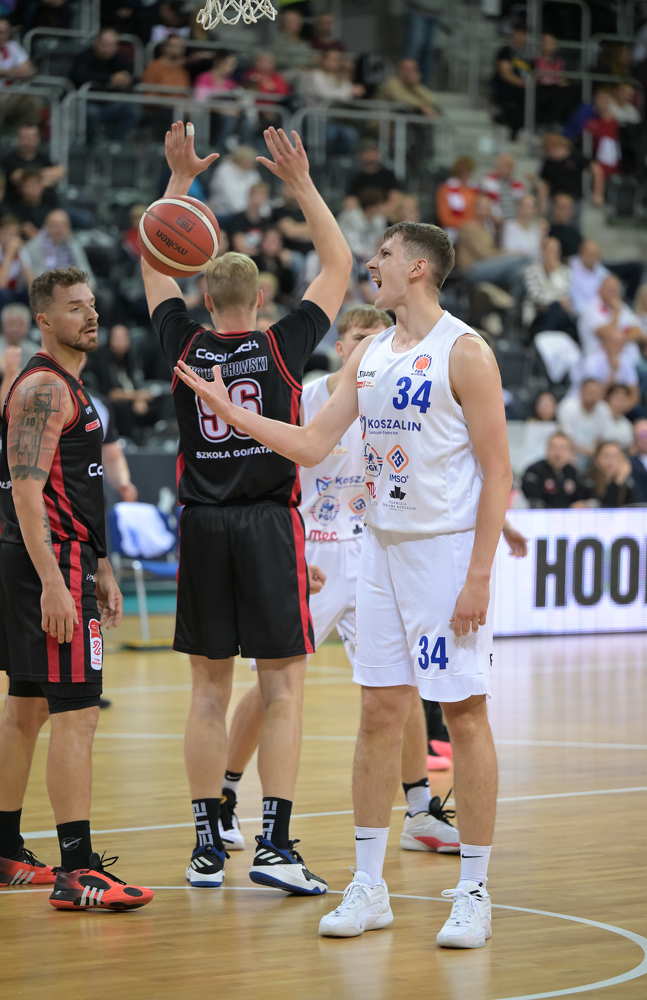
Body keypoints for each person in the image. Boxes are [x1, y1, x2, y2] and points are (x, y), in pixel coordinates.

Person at [174, 217, 514, 948]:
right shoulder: (369, 356)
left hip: (445, 554)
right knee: (377, 714)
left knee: (463, 714)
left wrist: (480, 573)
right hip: (378, 551)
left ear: (418, 268)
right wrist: (234, 414)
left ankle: (474, 891)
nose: (373, 263)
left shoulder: (464, 351)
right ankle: (368, 886)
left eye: (385, 254)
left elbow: (498, 472)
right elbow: (310, 443)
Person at [141, 122, 352, 894]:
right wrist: (299, 183)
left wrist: (178, 186)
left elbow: (153, 259)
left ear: (203, 296)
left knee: (207, 691)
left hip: (201, 525)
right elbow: (337, 264)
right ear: (260, 299)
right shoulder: (283, 344)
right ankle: (274, 846)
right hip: (267, 524)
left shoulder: (182, 344)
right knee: (281, 688)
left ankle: (205, 847)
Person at [0, 266, 152, 908]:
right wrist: (55, 582)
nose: (90, 315)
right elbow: (27, 492)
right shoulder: (42, 387)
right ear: (43, 319)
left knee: (28, 708)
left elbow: (78, 489)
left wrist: (102, 565)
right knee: (77, 712)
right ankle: (76, 870)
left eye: (91, 304)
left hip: (63, 558)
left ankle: (6, 850)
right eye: (74, 308)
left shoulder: (70, 386)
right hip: (48, 563)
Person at [457, 194, 531, 302]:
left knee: (519, 273)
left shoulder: (486, 228)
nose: (485, 211)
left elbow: (492, 251)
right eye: (482, 207)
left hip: (486, 266)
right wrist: (509, 254)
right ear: (475, 208)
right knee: (523, 259)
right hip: (472, 269)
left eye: (488, 208)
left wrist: (498, 229)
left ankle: (512, 306)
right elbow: (485, 254)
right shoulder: (469, 226)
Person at [72, 29, 142, 142]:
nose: (108, 49)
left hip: (109, 104)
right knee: (92, 113)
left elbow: (132, 77)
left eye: (112, 45)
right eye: (105, 45)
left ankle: (115, 145)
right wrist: (110, 79)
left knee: (132, 111)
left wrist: (126, 80)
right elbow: (80, 77)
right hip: (86, 103)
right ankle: (89, 146)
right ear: (96, 43)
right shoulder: (85, 56)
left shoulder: (118, 58)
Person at [304, 50, 364, 155]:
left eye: (338, 59)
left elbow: (350, 94)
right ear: (323, 60)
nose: (335, 62)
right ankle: (321, 161)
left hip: (335, 120)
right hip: (316, 120)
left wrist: (349, 82)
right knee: (330, 134)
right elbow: (326, 94)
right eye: (332, 59)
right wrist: (349, 92)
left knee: (351, 135)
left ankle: (339, 162)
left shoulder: (340, 77)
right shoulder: (316, 75)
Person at [577, 275, 643, 357]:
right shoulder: (591, 310)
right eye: (611, 289)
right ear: (600, 289)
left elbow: (639, 332)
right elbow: (608, 335)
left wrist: (619, 338)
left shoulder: (623, 307)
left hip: (628, 359)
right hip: (600, 361)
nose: (614, 292)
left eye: (616, 289)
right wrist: (616, 313)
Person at [523, 236, 575, 337]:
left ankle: (547, 339)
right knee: (556, 306)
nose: (554, 254)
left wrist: (555, 273)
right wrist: (558, 299)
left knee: (557, 309)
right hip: (538, 316)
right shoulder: (531, 271)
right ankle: (545, 338)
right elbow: (537, 297)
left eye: (557, 250)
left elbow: (567, 295)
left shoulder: (566, 272)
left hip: (561, 316)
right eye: (551, 250)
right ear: (543, 251)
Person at [521, 432, 590, 507]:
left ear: (570, 452)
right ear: (546, 449)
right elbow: (535, 504)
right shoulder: (534, 471)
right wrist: (569, 507)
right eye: (554, 448)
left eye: (563, 449)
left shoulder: (572, 472)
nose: (558, 453)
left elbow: (581, 499)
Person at [3, 124, 66, 207]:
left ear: (38, 139)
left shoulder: (42, 157)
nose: (27, 141)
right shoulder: (8, 160)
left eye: (31, 137)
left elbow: (60, 172)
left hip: (48, 205)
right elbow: (16, 177)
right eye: (24, 137)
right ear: (17, 138)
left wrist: (29, 176)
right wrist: (45, 178)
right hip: (18, 206)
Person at [537, 134, 603, 213]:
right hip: (556, 201)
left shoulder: (575, 157)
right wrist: (541, 204)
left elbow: (596, 169)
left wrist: (597, 193)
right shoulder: (549, 162)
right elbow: (545, 184)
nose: (550, 153)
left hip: (574, 199)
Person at [557, 378, 617, 461]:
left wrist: (596, 452)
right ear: (581, 392)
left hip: (596, 455)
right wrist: (591, 452)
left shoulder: (604, 408)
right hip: (572, 453)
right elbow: (565, 439)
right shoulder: (567, 407)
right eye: (590, 392)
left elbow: (606, 437)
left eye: (596, 393)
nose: (593, 396)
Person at [25, 210, 94, 279]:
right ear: (46, 226)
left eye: (61, 226)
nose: (57, 230)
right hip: (47, 283)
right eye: (53, 225)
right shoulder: (34, 246)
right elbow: (37, 276)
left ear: (68, 227)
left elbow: (85, 270)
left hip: (73, 283)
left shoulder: (73, 244)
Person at [492, 21, 531, 139]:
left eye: (524, 34)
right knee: (525, 96)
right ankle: (513, 125)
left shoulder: (526, 55)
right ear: (513, 33)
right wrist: (523, 83)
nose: (522, 37)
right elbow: (505, 74)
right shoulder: (506, 51)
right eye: (519, 33)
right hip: (508, 87)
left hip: (524, 87)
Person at [0, 18, 38, 132]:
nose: (1, 36)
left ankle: (25, 138)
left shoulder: (13, 46)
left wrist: (7, 73)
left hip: (11, 94)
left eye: (3, 32)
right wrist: (14, 72)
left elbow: (30, 69)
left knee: (32, 102)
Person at [207, 147, 263, 220]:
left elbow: (260, 192)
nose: (254, 164)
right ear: (242, 160)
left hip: (248, 213)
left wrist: (263, 212)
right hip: (225, 213)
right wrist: (248, 213)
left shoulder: (253, 173)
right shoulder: (225, 170)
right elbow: (231, 198)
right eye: (251, 161)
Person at [346, 141, 402, 210]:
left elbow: (395, 197)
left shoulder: (388, 175)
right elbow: (350, 200)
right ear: (360, 155)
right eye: (367, 152)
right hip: (362, 212)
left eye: (373, 152)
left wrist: (382, 211)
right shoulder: (356, 177)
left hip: (384, 211)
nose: (370, 156)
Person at [337, 188, 388, 264]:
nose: (382, 207)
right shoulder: (350, 217)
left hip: (370, 259)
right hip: (346, 258)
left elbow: (381, 244)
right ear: (371, 205)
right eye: (380, 204)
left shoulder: (379, 220)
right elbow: (353, 247)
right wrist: (374, 254)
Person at [436, 156, 478, 239]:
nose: (467, 174)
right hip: (454, 231)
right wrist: (465, 225)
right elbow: (444, 217)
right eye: (464, 171)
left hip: (473, 228)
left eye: (469, 171)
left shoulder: (474, 190)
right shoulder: (446, 189)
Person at [225, 182, 271, 257]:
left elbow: (268, 246)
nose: (260, 198)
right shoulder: (239, 219)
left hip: (259, 259)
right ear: (250, 196)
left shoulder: (265, 221)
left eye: (263, 195)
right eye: (258, 194)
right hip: (241, 258)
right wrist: (260, 251)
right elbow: (239, 246)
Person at [586, 440, 636, 507]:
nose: (610, 460)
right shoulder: (588, 482)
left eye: (615, 456)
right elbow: (606, 509)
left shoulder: (628, 482)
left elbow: (638, 506)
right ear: (596, 459)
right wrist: (617, 482)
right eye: (606, 456)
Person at [480, 153, 528, 222]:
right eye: (505, 164)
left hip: (513, 222)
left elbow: (523, 207)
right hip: (491, 221)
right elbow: (481, 203)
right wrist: (493, 217)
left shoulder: (519, 186)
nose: (508, 168)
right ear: (497, 166)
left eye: (510, 165)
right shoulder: (487, 181)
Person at [0, 214, 34, 307]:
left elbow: (31, 284)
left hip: (17, 292)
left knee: (32, 296)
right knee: (2, 295)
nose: (10, 239)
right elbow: (1, 285)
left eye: (13, 235)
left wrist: (23, 256)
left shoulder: (22, 251)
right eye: (6, 234)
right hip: (4, 294)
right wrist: (9, 254)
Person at [501, 194, 545, 261]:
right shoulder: (510, 226)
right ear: (519, 207)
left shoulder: (537, 228)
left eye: (532, 207)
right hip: (516, 265)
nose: (530, 210)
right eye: (527, 206)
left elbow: (539, 254)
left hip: (535, 265)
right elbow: (509, 252)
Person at [0, 302, 38, 372]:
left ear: (27, 327)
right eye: (11, 324)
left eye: (19, 325)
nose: (15, 329)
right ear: (3, 325)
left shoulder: (33, 351)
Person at [548, 192, 582, 260]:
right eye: (561, 207)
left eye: (567, 208)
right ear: (553, 207)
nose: (563, 211)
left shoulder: (576, 235)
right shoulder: (546, 231)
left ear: (572, 211)